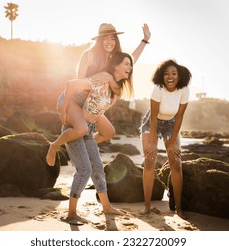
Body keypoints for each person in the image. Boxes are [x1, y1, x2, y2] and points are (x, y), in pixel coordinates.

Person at [45, 23, 150, 164]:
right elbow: (77, 84)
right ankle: (54, 146)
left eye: (112, 39)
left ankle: (81, 146)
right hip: (74, 99)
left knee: (108, 132)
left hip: (91, 102)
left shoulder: (113, 59)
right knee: (81, 129)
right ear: (99, 40)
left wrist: (145, 40)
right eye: (106, 39)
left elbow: (131, 60)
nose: (109, 42)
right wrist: (65, 109)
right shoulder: (89, 55)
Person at [56, 52, 134, 224]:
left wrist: (144, 41)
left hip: (88, 131)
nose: (129, 67)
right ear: (115, 66)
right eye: (126, 63)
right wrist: (63, 110)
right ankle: (71, 213)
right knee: (85, 170)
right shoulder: (101, 79)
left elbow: (97, 111)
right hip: (75, 127)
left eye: (131, 65)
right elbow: (71, 84)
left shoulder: (116, 90)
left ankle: (106, 206)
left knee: (98, 167)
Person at [139, 59, 191, 218]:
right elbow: (153, 118)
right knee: (150, 159)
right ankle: (147, 206)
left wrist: (172, 141)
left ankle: (179, 208)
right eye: (167, 73)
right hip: (151, 123)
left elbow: (180, 118)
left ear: (179, 76)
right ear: (162, 76)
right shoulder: (158, 89)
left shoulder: (184, 90)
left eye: (174, 73)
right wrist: (153, 142)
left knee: (176, 162)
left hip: (171, 124)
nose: (170, 76)